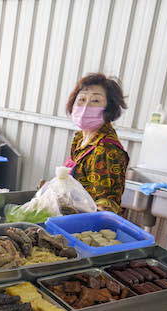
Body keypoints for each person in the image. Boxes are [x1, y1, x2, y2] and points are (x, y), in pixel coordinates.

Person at [64, 73, 129, 213]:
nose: (86, 106)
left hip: (85, 229)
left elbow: (106, 205)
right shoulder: (80, 139)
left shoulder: (106, 149)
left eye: (95, 101)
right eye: (81, 99)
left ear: (109, 109)